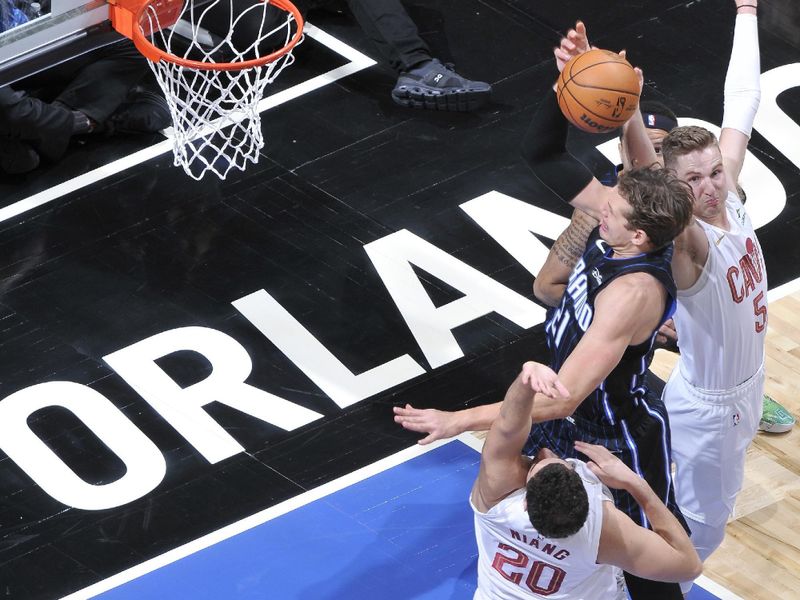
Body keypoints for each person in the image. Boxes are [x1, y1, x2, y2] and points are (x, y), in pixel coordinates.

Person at [398, 39, 697, 599]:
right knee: (554, 538)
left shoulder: (632, 292)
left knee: (644, 565)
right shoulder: (633, 213)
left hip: (612, 432)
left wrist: (458, 420)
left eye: (610, 208)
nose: (599, 204)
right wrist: (567, 82)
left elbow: (562, 397)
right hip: (568, 413)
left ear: (636, 235)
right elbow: (540, 153)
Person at [472, 363, 701, 599]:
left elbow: (508, 422)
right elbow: (689, 565)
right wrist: (636, 483)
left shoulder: (496, 497)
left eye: (539, 461)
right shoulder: (603, 530)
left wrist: (526, 378)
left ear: (526, 502)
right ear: (588, 498)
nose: (548, 452)